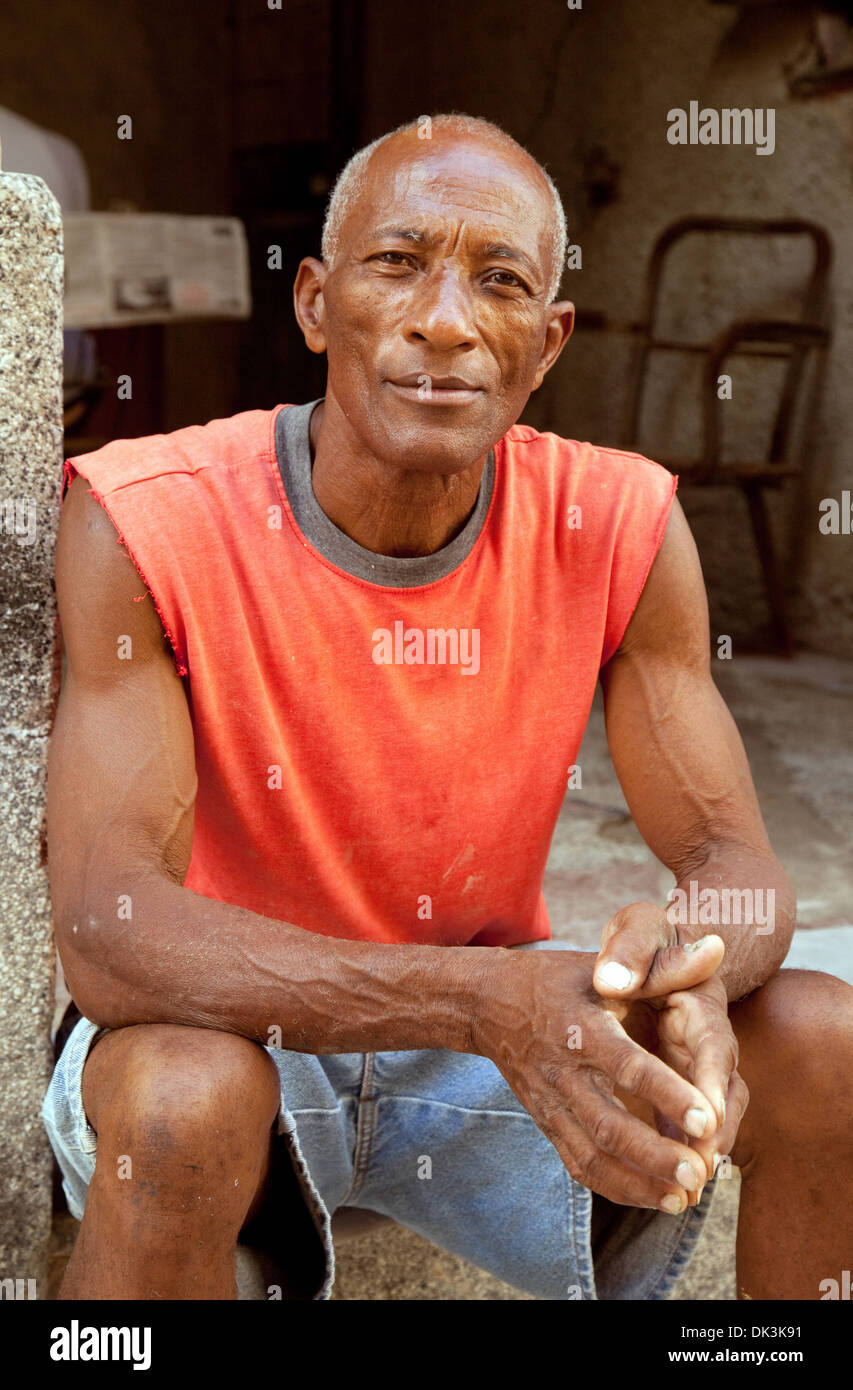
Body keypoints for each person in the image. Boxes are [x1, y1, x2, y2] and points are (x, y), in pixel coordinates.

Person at [42, 113, 852, 1301]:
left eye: (500, 281)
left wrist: (690, 968)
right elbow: (112, 930)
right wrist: (482, 1001)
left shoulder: (616, 520)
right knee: (178, 1102)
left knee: (825, 1037)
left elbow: (734, 857)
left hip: (484, 1051)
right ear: (314, 303)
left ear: (547, 342)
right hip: (229, 1028)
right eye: (396, 263)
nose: (444, 320)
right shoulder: (144, 516)